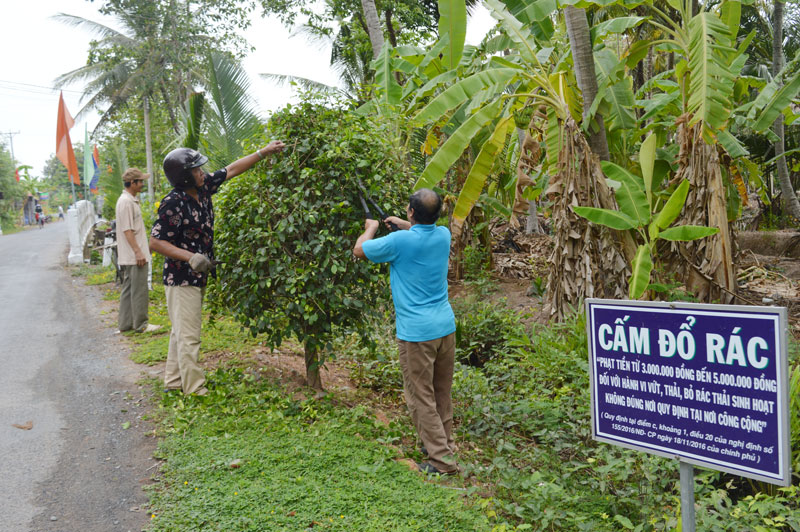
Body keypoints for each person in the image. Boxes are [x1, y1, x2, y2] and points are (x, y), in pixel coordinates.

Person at [149, 142, 285, 395]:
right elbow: (156, 242)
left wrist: (262, 152)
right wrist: (190, 257)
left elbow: (231, 170)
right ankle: (195, 389)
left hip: (198, 275)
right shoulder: (173, 202)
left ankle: (173, 381)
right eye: (197, 170)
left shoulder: (202, 189)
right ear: (184, 176)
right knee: (189, 335)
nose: (203, 172)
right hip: (181, 278)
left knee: (181, 330)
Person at [353, 188, 458, 475]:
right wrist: (404, 223)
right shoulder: (444, 235)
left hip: (417, 334)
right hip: (445, 329)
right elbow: (421, 232)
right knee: (441, 393)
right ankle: (442, 444)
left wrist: (371, 228)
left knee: (420, 396)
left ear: (412, 212)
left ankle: (442, 461)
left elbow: (359, 250)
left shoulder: (399, 241)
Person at [116, 168, 160, 334]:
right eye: (140, 181)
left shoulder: (128, 200)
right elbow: (128, 230)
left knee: (128, 289)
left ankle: (125, 323)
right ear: (132, 183)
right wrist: (138, 252)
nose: (142, 184)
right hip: (134, 255)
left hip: (130, 254)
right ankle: (141, 324)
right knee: (139, 290)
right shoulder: (126, 202)